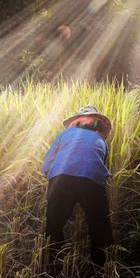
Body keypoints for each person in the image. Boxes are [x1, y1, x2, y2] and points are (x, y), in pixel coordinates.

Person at [42, 105, 114, 266]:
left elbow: (48, 162)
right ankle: (100, 265)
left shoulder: (64, 133)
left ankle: (53, 260)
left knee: (55, 222)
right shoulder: (101, 140)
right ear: (99, 124)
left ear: (76, 121)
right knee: (99, 223)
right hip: (92, 180)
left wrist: (51, 178)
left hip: (61, 177)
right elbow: (102, 167)